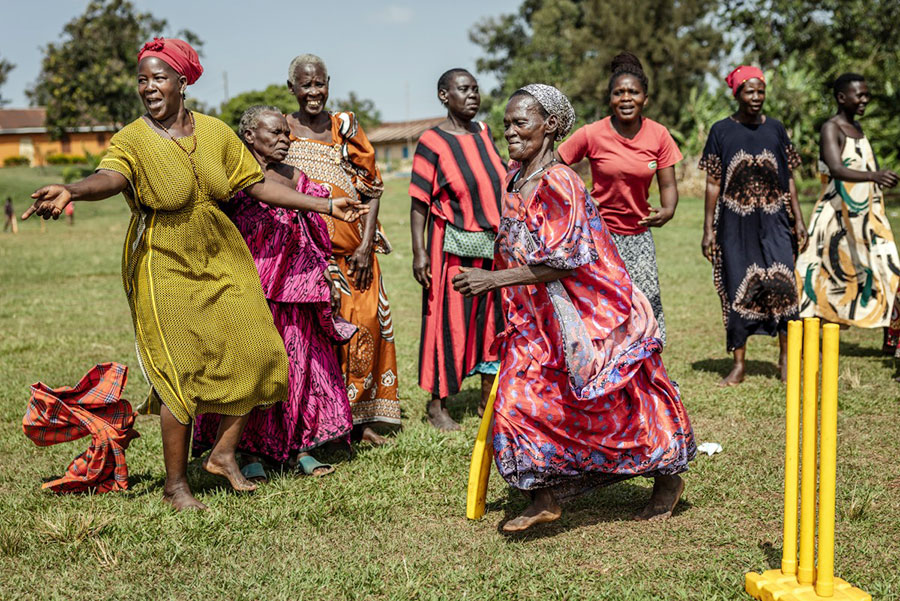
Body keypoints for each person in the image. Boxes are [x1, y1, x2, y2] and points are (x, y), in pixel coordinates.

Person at [23, 38, 366, 510]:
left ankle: (223, 454)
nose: (148, 87)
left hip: (222, 257)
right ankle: (175, 486)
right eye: (142, 79)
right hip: (162, 261)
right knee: (179, 370)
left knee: (262, 351)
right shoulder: (133, 139)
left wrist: (327, 203)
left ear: (182, 82)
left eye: (158, 77)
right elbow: (112, 176)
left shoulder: (216, 133)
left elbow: (259, 184)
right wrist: (73, 190)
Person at [452, 84, 695, 533]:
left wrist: (493, 280)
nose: (509, 130)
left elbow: (562, 260)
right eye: (506, 123)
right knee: (526, 396)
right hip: (534, 315)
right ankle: (543, 496)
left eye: (520, 122)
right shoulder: (517, 175)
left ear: (550, 126)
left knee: (613, 401)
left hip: (583, 311)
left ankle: (666, 477)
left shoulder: (560, 181)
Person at [192, 106, 356, 477]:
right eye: (276, 133)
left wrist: (325, 275)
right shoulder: (230, 176)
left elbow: (317, 232)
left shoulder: (297, 177)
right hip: (247, 289)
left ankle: (298, 448)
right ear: (249, 136)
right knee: (252, 371)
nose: (285, 140)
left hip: (295, 290)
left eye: (286, 133)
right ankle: (248, 454)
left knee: (298, 370)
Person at [283, 54, 399, 444]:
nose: (313, 92)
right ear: (292, 89)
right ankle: (326, 423)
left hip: (356, 253)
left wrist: (366, 246)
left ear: (328, 83)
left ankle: (362, 420)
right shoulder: (282, 131)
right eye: (305, 85)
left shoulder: (345, 125)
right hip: (305, 256)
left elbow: (372, 187)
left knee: (365, 329)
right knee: (320, 336)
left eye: (320, 84)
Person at [557, 52, 681, 345]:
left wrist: (669, 210)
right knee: (601, 302)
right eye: (619, 92)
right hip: (599, 235)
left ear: (645, 99)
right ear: (610, 98)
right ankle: (602, 362)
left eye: (633, 92)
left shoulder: (659, 135)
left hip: (639, 234)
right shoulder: (593, 133)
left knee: (646, 302)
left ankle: (644, 360)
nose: (626, 98)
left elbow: (668, 185)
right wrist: (579, 196)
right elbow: (555, 163)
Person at [699, 66, 808, 387]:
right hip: (734, 225)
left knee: (785, 287)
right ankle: (739, 365)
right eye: (750, 91)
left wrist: (798, 219)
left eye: (760, 91)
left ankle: (786, 360)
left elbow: (789, 178)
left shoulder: (776, 129)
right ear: (737, 94)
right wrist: (708, 229)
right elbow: (712, 182)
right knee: (737, 288)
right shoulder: (721, 131)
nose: (756, 97)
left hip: (775, 221)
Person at [409, 68, 506, 431]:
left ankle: (487, 401)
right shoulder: (432, 141)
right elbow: (419, 200)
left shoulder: (485, 133)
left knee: (492, 320)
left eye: (475, 89)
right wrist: (418, 252)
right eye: (463, 89)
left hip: (493, 247)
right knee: (447, 322)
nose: (473, 95)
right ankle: (438, 404)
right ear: (444, 96)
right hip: (450, 247)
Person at [797, 73, 899, 333]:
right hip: (836, 217)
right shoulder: (832, 128)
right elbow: (836, 168)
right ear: (842, 98)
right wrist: (874, 176)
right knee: (826, 275)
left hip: (866, 218)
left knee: (888, 271)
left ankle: (891, 338)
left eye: (867, 94)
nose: (865, 99)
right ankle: (813, 338)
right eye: (860, 95)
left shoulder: (859, 130)